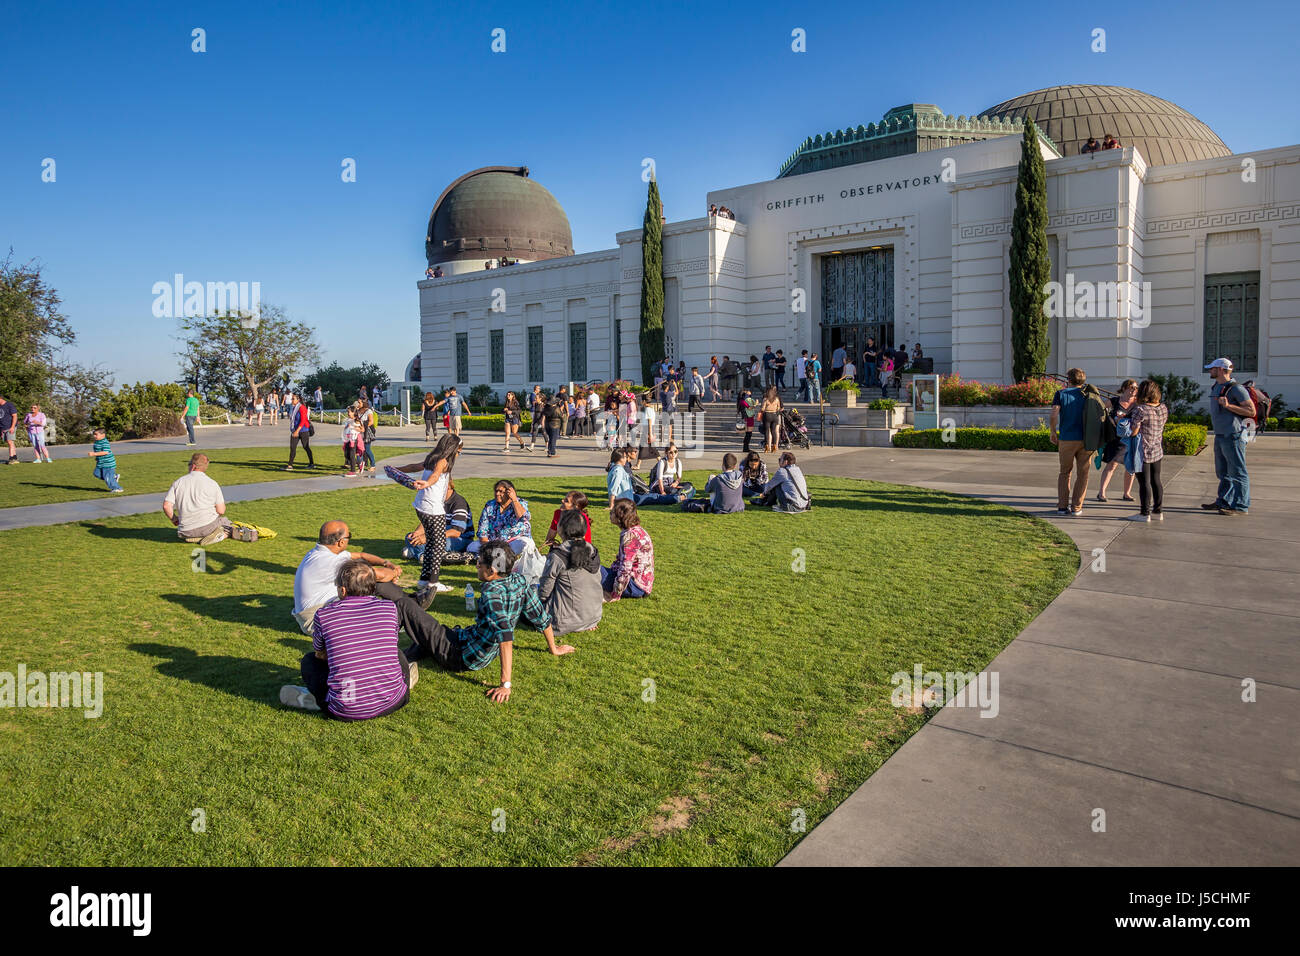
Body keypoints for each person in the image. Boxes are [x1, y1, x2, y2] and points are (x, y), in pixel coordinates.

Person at [402, 541, 574, 704]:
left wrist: (505, 685)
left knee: (407, 606)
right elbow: (540, 617)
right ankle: (409, 654)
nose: (476, 566)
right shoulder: (519, 581)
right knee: (427, 638)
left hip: (460, 655)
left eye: (479, 563)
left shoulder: (492, 593)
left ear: (492, 570)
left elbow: (505, 636)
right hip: (468, 643)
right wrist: (553, 648)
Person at [280, 559, 418, 720]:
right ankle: (397, 684)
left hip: (345, 711)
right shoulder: (389, 608)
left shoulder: (324, 615)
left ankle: (319, 699)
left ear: (343, 590)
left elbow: (319, 653)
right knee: (397, 653)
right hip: (394, 702)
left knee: (309, 662)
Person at [292, 520, 403, 633]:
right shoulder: (332, 562)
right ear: (340, 542)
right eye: (349, 536)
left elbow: (361, 555)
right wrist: (394, 572)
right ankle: (397, 617)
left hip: (312, 614)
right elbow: (379, 575)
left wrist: (386, 563)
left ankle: (403, 605)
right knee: (365, 582)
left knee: (362, 581)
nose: (349, 539)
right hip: (314, 621)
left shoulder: (319, 553)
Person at [409, 434, 461, 607]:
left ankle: (424, 580)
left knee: (431, 543)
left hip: (421, 506)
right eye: (459, 450)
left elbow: (415, 466)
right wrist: (426, 483)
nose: (459, 453)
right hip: (433, 509)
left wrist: (397, 469)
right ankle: (433, 582)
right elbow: (436, 476)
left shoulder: (432, 457)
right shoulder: (443, 461)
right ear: (452, 448)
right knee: (438, 544)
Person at [1049, 367, 1108, 516]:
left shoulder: (1061, 394)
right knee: (1083, 474)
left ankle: (1062, 507)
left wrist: (1052, 431)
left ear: (1068, 380)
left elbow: (1054, 414)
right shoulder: (1089, 394)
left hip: (1067, 439)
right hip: (1086, 439)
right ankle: (1077, 507)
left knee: (1064, 473)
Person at [1202, 358, 1256, 515]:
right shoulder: (1217, 386)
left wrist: (1228, 406)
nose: (1210, 371)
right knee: (1223, 472)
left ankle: (1240, 506)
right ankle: (1224, 501)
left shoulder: (1236, 389)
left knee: (1238, 472)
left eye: (1212, 368)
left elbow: (1251, 412)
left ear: (1220, 369)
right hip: (1220, 435)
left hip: (1234, 435)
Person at [538, 510, 604, 635]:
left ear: (561, 529)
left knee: (528, 593)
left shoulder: (558, 556)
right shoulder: (593, 550)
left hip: (563, 621)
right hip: (593, 616)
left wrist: (537, 603)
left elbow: (544, 591)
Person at [162, 453, 233, 544]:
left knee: (216, 523)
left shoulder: (178, 482)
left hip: (185, 531)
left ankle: (195, 537)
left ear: (193, 466)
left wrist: (174, 520)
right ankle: (219, 536)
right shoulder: (212, 483)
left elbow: (166, 506)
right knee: (227, 523)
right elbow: (221, 510)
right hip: (207, 527)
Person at [1126, 379, 1169, 522]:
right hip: (1157, 448)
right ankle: (1158, 511)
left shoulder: (1141, 410)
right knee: (1156, 480)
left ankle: (1145, 513)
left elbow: (1133, 431)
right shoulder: (1163, 407)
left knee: (1144, 482)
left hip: (1141, 451)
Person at [405, 480, 474, 565]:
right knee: (410, 537)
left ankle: (418, 553)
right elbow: (427, 522)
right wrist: (418, 532)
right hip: (441, 534)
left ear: (448, 486)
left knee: (428, 542)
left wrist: (428, 537)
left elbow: (455, 532)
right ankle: (422, 554)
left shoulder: (459, 503)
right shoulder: (437, 501)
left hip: (461, 539)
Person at [602, 499, 654, 601]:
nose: (610, 514)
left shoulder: (629, 536)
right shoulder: (638, 530)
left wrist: (615, 594)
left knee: (592, 569)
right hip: (643, 584)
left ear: (620, 516)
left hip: (634, 586)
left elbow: (625, 568)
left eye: (612, 512)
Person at [1096, 379, 1138, 503]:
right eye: (1132, 387)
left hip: (1131, 438)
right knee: (1111, 465)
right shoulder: (1114, 401)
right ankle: (1101, 493)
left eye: (1136, 388)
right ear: (1124, 388)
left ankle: (1127, 493)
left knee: (1130, 467)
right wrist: (1110, 420)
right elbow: (1100, 410)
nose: (1134, 390)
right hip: (1115, 439)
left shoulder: (1138, 404)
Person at [468, 480, 532, 557]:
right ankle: (499, 556)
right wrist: (488, 546)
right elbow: (482, 531)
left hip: (513, 542)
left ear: (509, 493)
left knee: (526, 544)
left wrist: (514, 499)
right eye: (496, 491)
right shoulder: (490, 505)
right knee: (471, 546)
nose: (497, 494)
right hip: (493, 543)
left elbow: (523, 517)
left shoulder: (519, 503)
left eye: (501, 491)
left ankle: (496, 556)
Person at [86, 427, 123, 492]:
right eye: (94, 434)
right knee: (96, 473)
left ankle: (117, 488)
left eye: (96, 434)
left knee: (108, 478)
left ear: (103, 435)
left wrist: (94, 454)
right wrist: (97, 458)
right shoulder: (97, 442)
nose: (94, 436)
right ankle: (114, 477)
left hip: (108, 463)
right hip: (100, 463)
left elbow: (105, 452)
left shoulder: (105, 442)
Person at [286, 392, 315, 470]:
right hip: (295, 430)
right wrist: (294, 430)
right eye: (291, 398)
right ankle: (290, 465)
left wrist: (297, 431)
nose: (291, 400)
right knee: (292, 447)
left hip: (303, 430)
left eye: (293, 399)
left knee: (306, 447)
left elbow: (303, 420)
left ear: (298, 400)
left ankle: (311, 463)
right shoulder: (294, 407)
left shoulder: (302, 407)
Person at [759, 386, 783, 453]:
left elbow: (763, 409)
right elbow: (779, 408)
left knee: (767, 431)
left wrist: (761, 408)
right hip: (775, 415)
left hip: (767, 415)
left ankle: (767, 446)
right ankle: (774, 446)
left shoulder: (765, 399)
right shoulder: (776, 399)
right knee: (774, 431)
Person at [341, 408, 364, 477]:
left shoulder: (357, 420)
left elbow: (362, 429)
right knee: (346, 455)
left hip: (354, 439)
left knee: (351, 454)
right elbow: (346, 428)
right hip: (347, 438)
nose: (348, 413)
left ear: (354, 413)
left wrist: (355, 428)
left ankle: (353, 471)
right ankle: (360, 463)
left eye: (349, 412)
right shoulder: (348, 420)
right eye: (348, 412)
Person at [543, 389, 565, 457]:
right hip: (555, 425)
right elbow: (562, 417)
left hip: (547, 425)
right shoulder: (556, 408)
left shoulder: (546, 408)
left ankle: (549, 451)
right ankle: (552, 452)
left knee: (551, 438)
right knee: (553, 439)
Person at [358, 400, 378, 474]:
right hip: (359, 432)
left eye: (359, 402)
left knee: (367, 449)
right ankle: (361, 466)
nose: (358, 404)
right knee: (360, 449)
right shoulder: (358, 411)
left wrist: (363, 427)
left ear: (363, 403)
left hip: (367, 432)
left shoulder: (368, 411)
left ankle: (373, 465)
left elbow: (371, 422)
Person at [737, 388, 757, 453]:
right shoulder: (743, 401)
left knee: (748, 434)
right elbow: (750, 407)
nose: (750, 392)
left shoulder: (742, 400)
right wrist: (756, 404)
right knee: (748, 433)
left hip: (748, 417)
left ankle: (746, 447)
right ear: (745, 393)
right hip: (748, 418)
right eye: (748, 391)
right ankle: (745, 448)